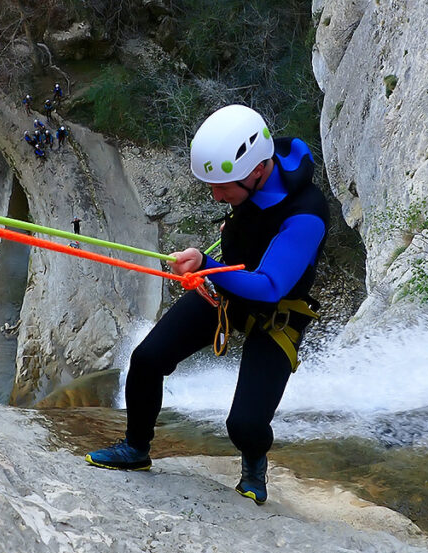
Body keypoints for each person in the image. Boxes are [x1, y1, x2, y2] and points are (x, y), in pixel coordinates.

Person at [85, 104, 328, 506]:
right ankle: (136, 448)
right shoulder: (252, 172)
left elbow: (269, 286)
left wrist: (207, 266)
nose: (216, 196)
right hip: (227, 296)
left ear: (257, 171)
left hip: (276, 314)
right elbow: (247, 229)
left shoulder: (307, 214)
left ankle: (254, 462)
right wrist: (215, 266)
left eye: (223, 187)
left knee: (245, 425)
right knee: (146, 360)